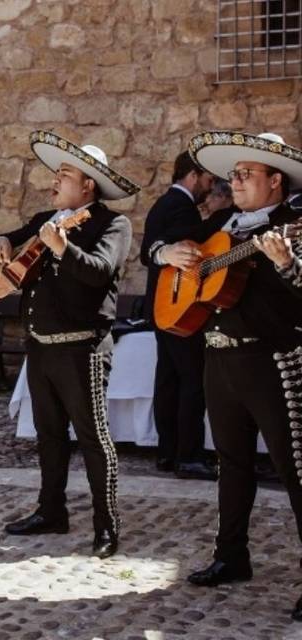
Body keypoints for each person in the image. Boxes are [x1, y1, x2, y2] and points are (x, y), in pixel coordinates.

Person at [158, 131, 302, 621]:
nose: (233, 182)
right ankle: (231, 555)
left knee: (295, 470)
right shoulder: (221, 222)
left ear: (276, 182)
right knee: (231, 465)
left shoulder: (294, 225)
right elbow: (161, 246)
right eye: (233, 175)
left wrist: (288, 266)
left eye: (245, 175)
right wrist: (168, 256)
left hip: (275, 363)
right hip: (219, 360)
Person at [0, 130, 138, 559]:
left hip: (82, 350)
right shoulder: (42, 220)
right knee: (48, 435)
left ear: (87, 184)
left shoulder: (114, 224)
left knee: (93, 439)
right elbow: (7, 239)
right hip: (42, 348)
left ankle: (106, 526)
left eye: (65, 175)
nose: (54, 182)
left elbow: (99, 270)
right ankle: (50, 511)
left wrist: (63, 248)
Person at [139, 151, 216, 480]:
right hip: (177, 307)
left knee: (168, 380)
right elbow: (152, 252)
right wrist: (221, 218)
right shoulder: (180, 206)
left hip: (162, 308)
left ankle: (167, 453)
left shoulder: (164, 203)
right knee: (192, 381)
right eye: (209, 180)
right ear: (194, 174)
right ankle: (189, 456)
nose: (210, 188)